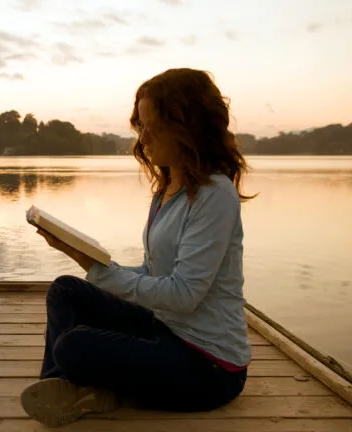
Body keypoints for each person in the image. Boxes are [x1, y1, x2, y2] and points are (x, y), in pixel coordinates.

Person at [21, 68, 256, 428]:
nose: (143, 138)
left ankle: (74, 387)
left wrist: (103, 271)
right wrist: (86, 259)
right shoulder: (168, 189)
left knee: (74, 346)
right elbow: (152, 274)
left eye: (152, 126)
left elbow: (183, 294)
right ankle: (61, 387)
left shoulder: (214, 195)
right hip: (165, 329)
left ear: (186, 125)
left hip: (208, 367)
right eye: (140, 126)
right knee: (66, 290)